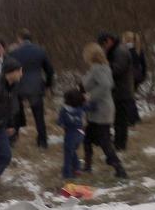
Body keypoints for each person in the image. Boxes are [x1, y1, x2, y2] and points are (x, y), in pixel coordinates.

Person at [81, 43, 127, 178]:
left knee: (104, 141)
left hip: (101, 110)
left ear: (90, 55)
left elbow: (106, 85)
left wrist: (90, 96)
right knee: (88, 138)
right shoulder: (103, 67)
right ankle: (87, 167)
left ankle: (119, 169)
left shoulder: (97, 68)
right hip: (98, 109)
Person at [10, 29, 55, 148]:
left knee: (16, 114)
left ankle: (13, 139)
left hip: (18, 86)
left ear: (19, 39)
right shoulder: (40, 51)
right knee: (39, 116)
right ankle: (42, 142)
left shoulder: (14, 53)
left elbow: (9, 70)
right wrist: (48, 84)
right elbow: (50, 70)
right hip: (36, 86)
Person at [97, 32, 135, 151]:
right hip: (116, 91)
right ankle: (117, 143)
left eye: (104, 44)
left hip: (122, 91)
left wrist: (104, 67)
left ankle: (120, 146)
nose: (104, 47)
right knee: (117, 120)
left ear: (109, 40)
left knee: (121, 121)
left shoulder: (120, 51)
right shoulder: (114, 50)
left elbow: (118, 69)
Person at [0, 57, 22, 180]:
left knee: (5, 156)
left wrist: (10, 124)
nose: (21, 74)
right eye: (19, 71)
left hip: (1, 126)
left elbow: (11, 106)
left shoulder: (14, 86)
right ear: (10, 72)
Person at [57, 89, 88, 179]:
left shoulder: (64, 110)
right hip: (81, 133)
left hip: (70, 134)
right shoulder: (81, 108)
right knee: (72, 150)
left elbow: (59, 122)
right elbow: (92, 106)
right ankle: (77, 168)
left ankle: (67, 174)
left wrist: (63, 125)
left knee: (68, 154)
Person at [122, 31, 145, 124]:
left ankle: (133, 119)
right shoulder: (138, 49)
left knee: (129, 98)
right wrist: (143, 76)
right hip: (137, 76)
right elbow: (144, 65)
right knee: (130, 98)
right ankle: (134, 118)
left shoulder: (127, 50)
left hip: (129, 78)